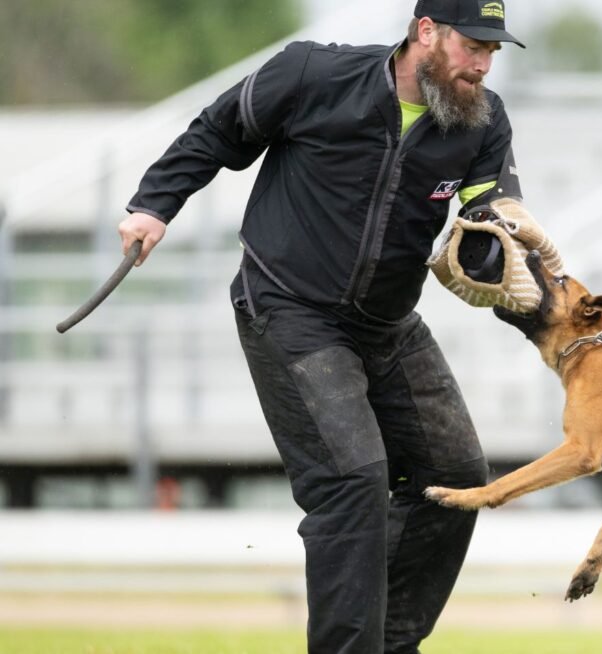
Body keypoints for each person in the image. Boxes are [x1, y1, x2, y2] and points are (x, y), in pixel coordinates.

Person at [116, 1, 525, 652]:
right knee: (353, 481)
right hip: (289, 308)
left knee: (455, 474)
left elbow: (491, 219)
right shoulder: (312, 74)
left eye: (492, 51)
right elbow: (219, 129)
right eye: (472, 46)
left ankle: (387, 643)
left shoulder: (483, 119)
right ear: (426, 32)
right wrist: (154, 205)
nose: (482, 64)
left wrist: (504, 253)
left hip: (387, 322)